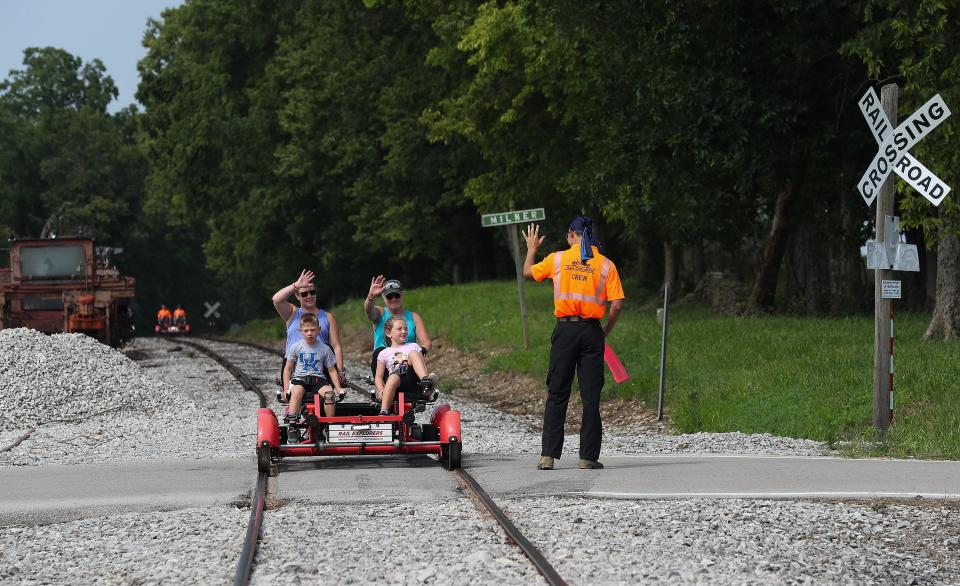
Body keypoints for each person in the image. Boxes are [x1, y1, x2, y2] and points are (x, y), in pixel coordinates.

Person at [522, 215, 625, 471]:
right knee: (591, 396)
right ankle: (587, 458)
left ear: (571, 235)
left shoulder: (558, 259)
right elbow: (618, 303)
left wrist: (532, 249)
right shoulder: (605, 265)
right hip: (591, 332)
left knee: (557, 392)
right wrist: (605, 331)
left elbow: (527, 273)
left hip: (565, 330)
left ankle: (548, 456)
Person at [272, 269, 344, 400]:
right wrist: (296, 285)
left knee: (325, 396)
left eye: (312, 292)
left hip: (319, 364)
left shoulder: (328, 317)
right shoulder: (292, 313)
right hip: (294, 362)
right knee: (295, 395)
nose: (309, 296)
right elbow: (276, 300)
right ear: (297, 296)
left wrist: (340, 370)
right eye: (304, 294)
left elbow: (336, 346)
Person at [283, 313, 344, 443]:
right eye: (306, 330)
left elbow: (332, 370)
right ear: (300, 331)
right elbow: (288, 368)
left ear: (319, 330)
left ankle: (330, 426)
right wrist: (286, 388)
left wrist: (338, 388)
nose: (309, 333)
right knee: (297, 392)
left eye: (312, 330)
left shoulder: (325, 348)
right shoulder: (296, 347)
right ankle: (293, 426)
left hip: (318, 380)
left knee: (329, 394)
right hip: (300, 379)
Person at [363, 277, 432, 374]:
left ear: (402, 295)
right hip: (383, 362)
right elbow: (369, 311)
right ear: (383, 298)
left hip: (407, 361)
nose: (393, 299)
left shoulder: (414, 317)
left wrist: (420, 352)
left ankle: (426, 383)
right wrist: (371, 296)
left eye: (397, 295)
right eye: (389, 296)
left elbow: (426, 342)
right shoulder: (380, 313)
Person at [374, 316, 436, 415]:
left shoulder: (413, 346)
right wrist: (381, 389)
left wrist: (425, 376)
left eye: (406, 329)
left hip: (412, 379)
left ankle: (426, 382)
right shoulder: (383, 353)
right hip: (396, 382)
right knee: (393, 377)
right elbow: (378, 377)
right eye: (399, 329)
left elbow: (422, 365)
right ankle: (384, 410)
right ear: (388, 333)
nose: (404, 331)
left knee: (413, 353)